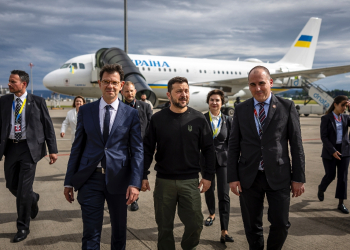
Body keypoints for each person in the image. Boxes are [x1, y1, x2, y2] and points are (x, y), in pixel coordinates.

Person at [63, 64, 143, 250]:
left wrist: (135, 182)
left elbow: (137, 150)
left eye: (114, 82)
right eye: (106, 82)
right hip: (90, 179)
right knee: (91, 233)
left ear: (121, 85)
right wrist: (68, 181)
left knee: (119, 233)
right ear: (99, 83)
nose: (110, 86)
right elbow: (77, 147)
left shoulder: (131, 114)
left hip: (119, 180)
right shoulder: (86, 111)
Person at [227, 66, 305, 250]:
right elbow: (234, 145)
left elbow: (296, 144)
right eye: (252, 85)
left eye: (261, 83)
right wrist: (232, 177)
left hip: (279, 175)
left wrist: (298, 177)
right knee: (252, 226)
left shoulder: (287, 107)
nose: (258, 88)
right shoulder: (241, 109)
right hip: (249, 176)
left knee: (281, 224)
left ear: (270, 83)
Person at [142, 76, 216, 250]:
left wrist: (208, 176)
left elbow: (208, 150)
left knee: (196, 223)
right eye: (179, 91)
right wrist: (142, 175)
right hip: (164, 182)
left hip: (190, 182)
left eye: (186, 91)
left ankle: (187, 247)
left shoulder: (198, 119)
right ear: (169, 95)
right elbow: (146, 149)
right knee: (164, 227)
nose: (183, 95)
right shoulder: (158, 119)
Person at [0, 70, 58, 243]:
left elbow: (48, 126)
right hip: (10, 148)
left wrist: (52, 149)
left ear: (23, 84)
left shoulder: (37, 102)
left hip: (29, 149)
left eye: (12, 82)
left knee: (23, 190)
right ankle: (33, 198)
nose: (9, 84)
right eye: (9, 81)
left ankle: (22, 227)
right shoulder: (3, 101)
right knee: (11, 185)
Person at [201, 89, 234, 244]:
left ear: (222, 102)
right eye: (212, 100)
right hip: (206, 162)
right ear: (208, 102)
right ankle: (212, 213)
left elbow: (233, 143)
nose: (214, 103)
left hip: (223, 162)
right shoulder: (201, 119)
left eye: (217, 100)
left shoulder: (228, 120)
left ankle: (224, 230)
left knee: (224, 195)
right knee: (209, 190)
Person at [121, 81, 152, 211]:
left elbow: (150, 126)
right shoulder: (119, 107)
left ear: (135, 91)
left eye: (132, 91)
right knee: (124, 173)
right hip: (124, 147)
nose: (130, 93)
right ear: (122, 92)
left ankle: (134, 199)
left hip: (141, 146)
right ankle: (124, 197)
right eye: (127, 91)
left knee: (137, 172)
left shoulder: (145, 107)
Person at [318, 95, 350, 214]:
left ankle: (341, 203)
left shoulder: (346, 118)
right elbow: (324, 137)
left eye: (346, 106)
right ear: (335, 104)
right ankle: (321, 188)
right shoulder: (326, 118)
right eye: (342, 105)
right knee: (330, 175)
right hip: (329, 151)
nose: (344, 108)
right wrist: (332, 151)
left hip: (344, 151)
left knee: (342, 178)